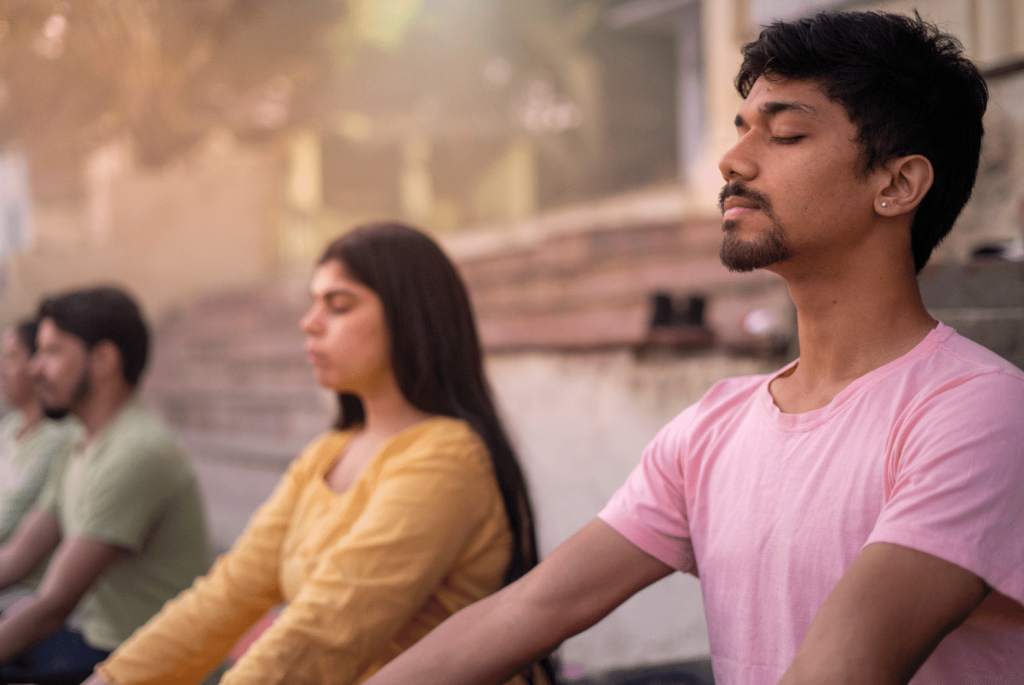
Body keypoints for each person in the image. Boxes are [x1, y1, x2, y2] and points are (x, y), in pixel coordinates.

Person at [359, 11, 1024, 685]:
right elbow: (526, 609)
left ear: (896, 184)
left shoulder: (976, 412)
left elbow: (845, 664)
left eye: (787, 134)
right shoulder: (714, 426)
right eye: (741, 130)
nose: (732, 160)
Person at [84, 222, 548, 685]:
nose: (309, 322)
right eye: (313, 302)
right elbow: (226, 595)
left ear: (410, 318)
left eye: (339, 305)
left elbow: (327, 629)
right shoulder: (327, 454)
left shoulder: (448, 459)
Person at [0, 287, 211, 685]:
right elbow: (18, 556)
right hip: (93, 643)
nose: (35, 368)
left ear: (103, 360)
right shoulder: (79, 444)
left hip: (146, 660)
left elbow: (51, 605)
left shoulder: (136, 452)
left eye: (52, 352)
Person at [0, 320, 77, 549]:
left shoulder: (59, 438)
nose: (1, 367)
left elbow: (8, 523)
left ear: (37, 363)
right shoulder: (11, 426)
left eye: (11, 357)